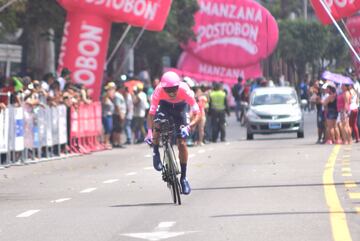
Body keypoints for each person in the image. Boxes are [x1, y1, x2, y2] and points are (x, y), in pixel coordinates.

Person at [145, 71, 200, 195]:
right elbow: (151, 114)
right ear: (163, 87)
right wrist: (149, 132)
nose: (171, 92)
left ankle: (184, 178)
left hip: (181, 108)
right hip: (165, 106)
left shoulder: (185, 90)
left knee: (182, 144)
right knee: (158, 122)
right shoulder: (158, 91)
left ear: (178, 86)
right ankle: (155, 151)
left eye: (174, 89)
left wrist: (189, 126)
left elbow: (197, 113)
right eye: (168, 89)